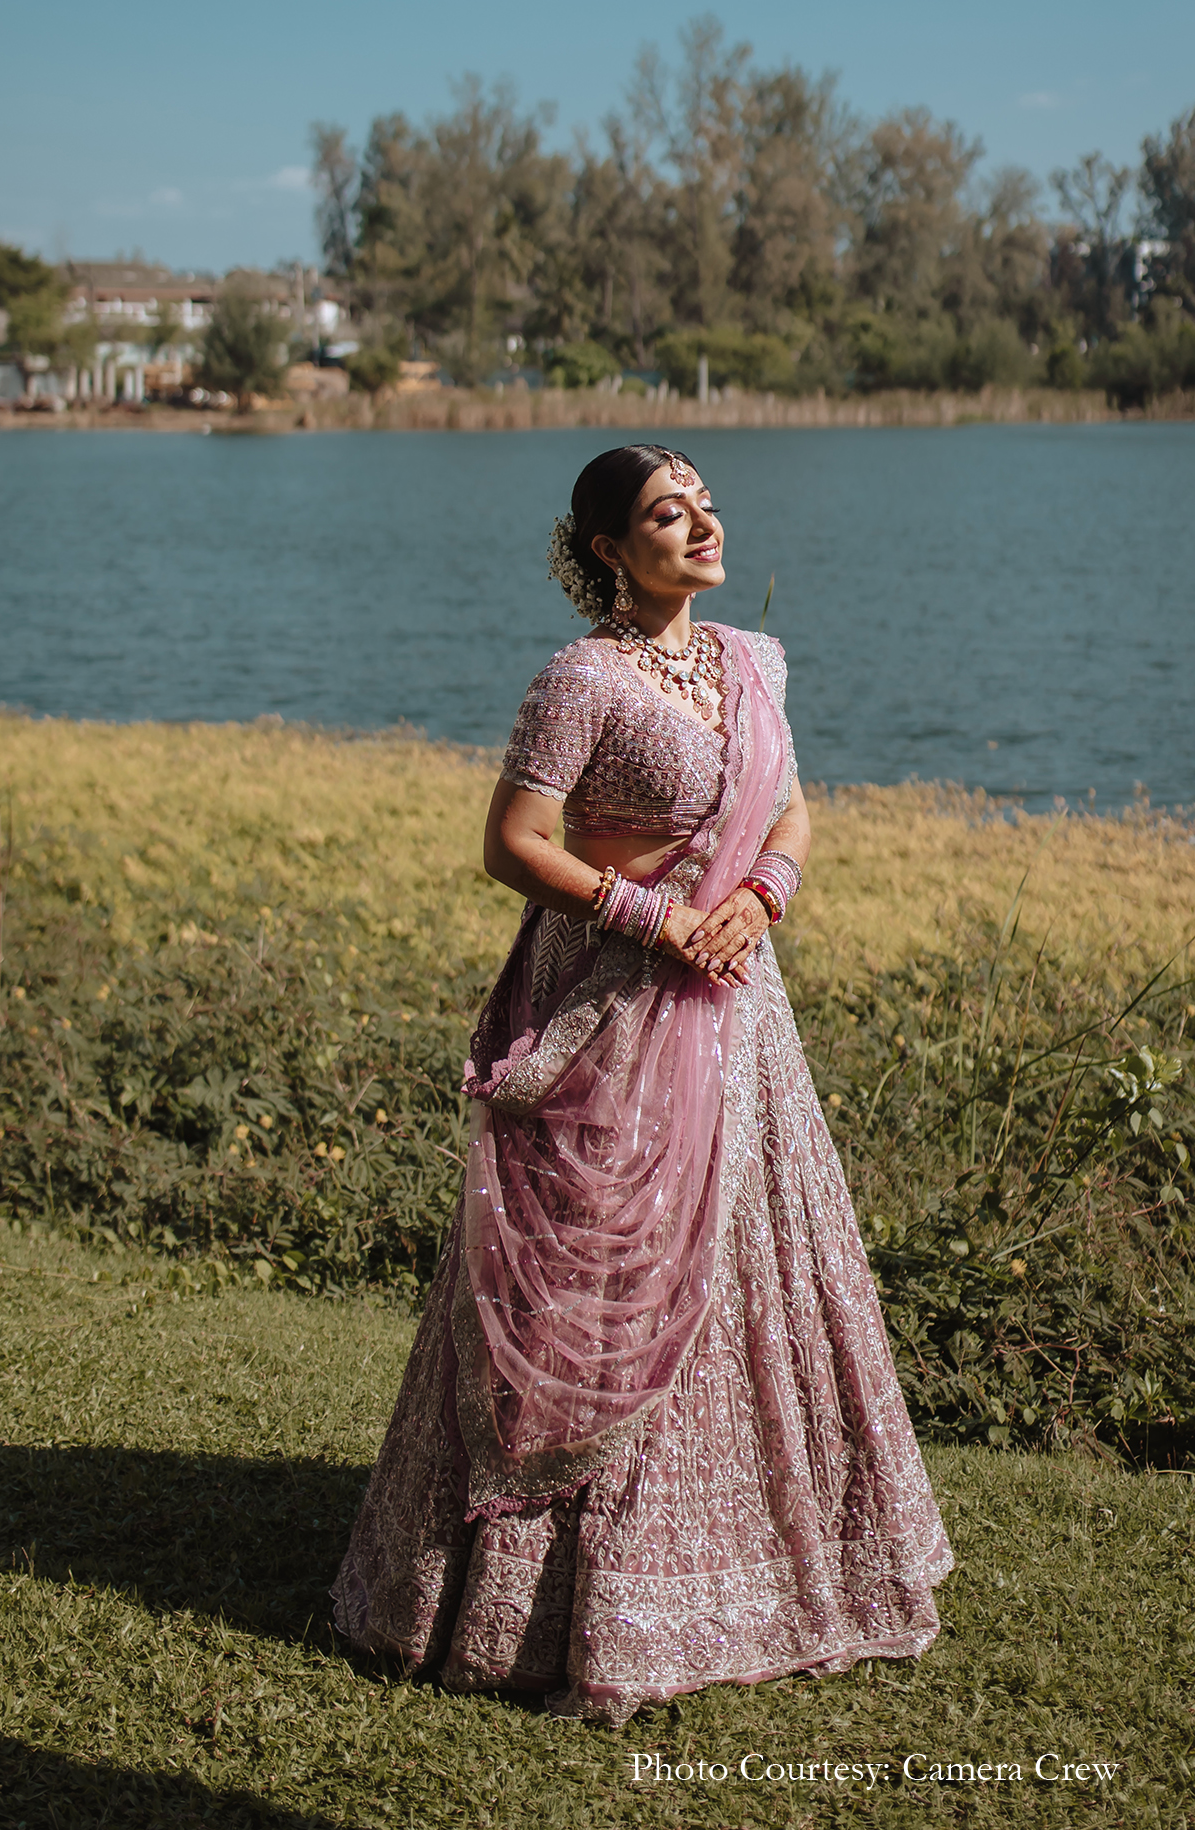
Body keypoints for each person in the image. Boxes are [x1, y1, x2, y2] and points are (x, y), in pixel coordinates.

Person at [332, 444, 953, 1726]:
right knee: (597, 1270)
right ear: (611, 550)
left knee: (747, 1259)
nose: (701, 524)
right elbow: (512, 843)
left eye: (704, 504)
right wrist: (655, 918)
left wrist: (760, 895)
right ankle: (534, 1603)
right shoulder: (581, 679)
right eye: (669, 513)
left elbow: (789, 811)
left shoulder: (753, 660)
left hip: (736, 1004)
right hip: (610, 1000)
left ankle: (763, 1572)